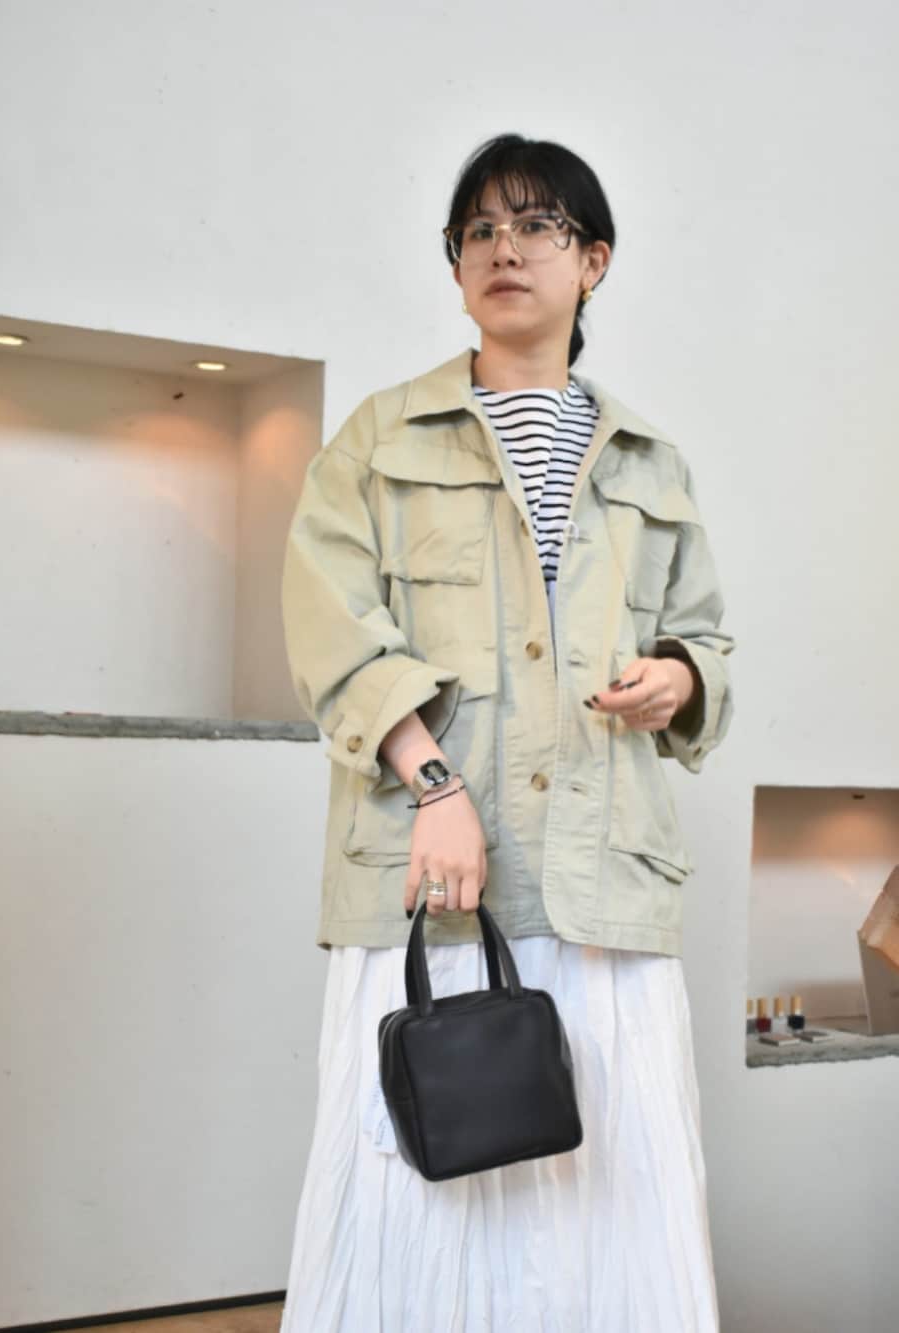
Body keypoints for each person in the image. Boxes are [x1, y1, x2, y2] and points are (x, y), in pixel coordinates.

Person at [278, 132, 734, 1332]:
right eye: (478, 230)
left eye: (536, 226)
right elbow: (332, 634)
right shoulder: (380, 438)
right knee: (417, 1190)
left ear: (593, 261)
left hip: (601, 876)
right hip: (433, 870)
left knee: (608, 1189)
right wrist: (434, 784)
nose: (504, 248)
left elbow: (705, 639)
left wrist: (676, 679)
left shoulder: (652, 463)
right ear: (454, 265)